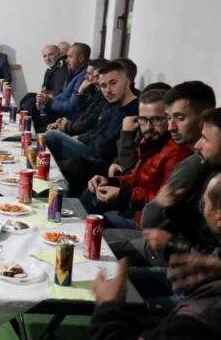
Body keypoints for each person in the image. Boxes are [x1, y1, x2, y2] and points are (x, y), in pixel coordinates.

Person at [88, 173, 221, 340]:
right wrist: (176, 210)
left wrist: (108, 309)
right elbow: (204, 237)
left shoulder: (204, 314)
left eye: (204, 205)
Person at [80, 89, 192, 229]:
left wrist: (124, 194)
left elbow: (166, 198)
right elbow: (135, 177)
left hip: (148, 217)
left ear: (169, 118)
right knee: (91, 192)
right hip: (136, 202)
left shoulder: (177, 151)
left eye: (156, 119)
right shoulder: (149, 139)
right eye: (143, 119)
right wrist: (111, 181)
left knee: (101, 219)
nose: (148, 127)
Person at [141, 82, 218, 255]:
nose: (171, 127)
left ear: (205, 117)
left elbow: (149, 222)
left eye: (180, 118)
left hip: (172, 253)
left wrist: (160, 203)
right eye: (168, 118)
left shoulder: (195, 165)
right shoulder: (192, 157)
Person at [58, 61, 139, 196]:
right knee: (54, 166)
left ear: (127, 82)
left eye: (113, 83)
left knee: (69, 166)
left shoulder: (136, 110)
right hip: (95, 156)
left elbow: (108, 148)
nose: (108, 90)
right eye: (103, 85)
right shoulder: (113, 105)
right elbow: (98, 135)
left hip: (111, 168)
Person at [45, 59, 110, 136]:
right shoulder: (92, 91)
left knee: (48, 134)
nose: (85, 76)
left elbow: (87, 123)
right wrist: (64, 121)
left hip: (80, 135)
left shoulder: (104, 97)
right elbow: (80, 113)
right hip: (73, 127)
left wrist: (66, 125)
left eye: (89, 74)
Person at [33, 43, 90, 128]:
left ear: (81, 58)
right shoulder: (73, 72)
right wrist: (47, 100)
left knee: (33, 117)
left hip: (68, 120)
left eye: (70, 57)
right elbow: (62, 96)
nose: (66, 60)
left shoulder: (84, 77)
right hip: (58, 112)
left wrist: (49, 103)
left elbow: (71, 107)